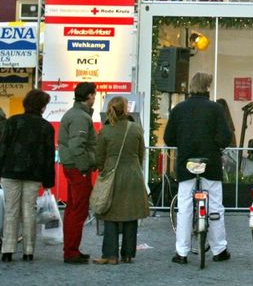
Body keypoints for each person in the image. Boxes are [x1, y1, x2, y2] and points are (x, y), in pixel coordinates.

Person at [164, 72, 232, 264]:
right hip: (210, 163)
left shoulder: (179, 109)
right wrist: (215, 144)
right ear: (207, 88)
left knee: (184, 206)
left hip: (187, 162)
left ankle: (182, 252)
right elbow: (225, 137)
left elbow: (169, 138)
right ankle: (219, 249)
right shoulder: (216, 109)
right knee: (216, 205)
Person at [0, 89, 55, 262]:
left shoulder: (13, 122)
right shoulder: (46, 127)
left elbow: (2, 148)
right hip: (33, 174)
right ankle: (28, 251)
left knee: (11, 210)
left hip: (10, 171)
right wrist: (49, 181)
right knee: (29, 211)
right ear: (42, 107)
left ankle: (7, 250)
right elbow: (48, 156)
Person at [93, 96, 150, 264]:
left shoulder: (106, 130)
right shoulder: (135, 128)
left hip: (112, 174)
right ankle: (128, 254)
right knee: (131, 214)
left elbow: (99, 156)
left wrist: (103, 170)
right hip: (133, 175)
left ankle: (110, 255)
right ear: (126, 109)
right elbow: (141, 154)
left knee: (110, 213)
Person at [58, 81, 97, 264]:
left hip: (73, 166)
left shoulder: (75, 114)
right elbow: (77, 145)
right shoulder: (80, 117)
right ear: (89, 96)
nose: (95, 97)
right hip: (77, 168)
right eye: (94, 94)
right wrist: (84, 166)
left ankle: (72, 248)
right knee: (78, 210)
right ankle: (71, 251)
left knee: (73, 209)